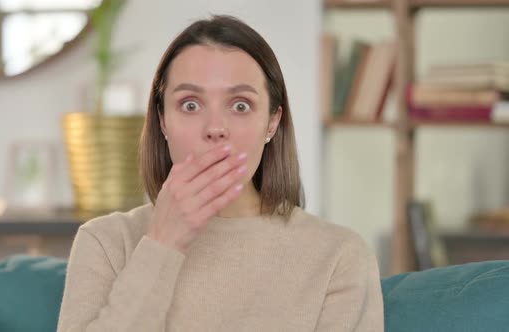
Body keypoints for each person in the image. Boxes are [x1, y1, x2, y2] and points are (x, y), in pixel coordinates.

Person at [57, 15, 384, 332]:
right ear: (162, 119)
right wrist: (162, 244)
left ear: (272, 122)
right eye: (190, 104)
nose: (215, 129)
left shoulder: (340, 257)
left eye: (240, 105)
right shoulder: (105, 242)